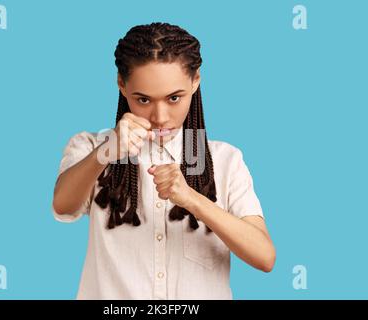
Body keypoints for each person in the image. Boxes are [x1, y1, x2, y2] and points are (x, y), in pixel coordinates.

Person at [52, 22, 276, 300]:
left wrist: (192, 199)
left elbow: (264, 257)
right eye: (143, 99)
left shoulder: (225, 160)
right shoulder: (91, 147)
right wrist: (106, 152)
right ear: (121, 84)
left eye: (174, 98)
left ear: (195, 81)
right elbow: (62, 206)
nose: (159, 116)